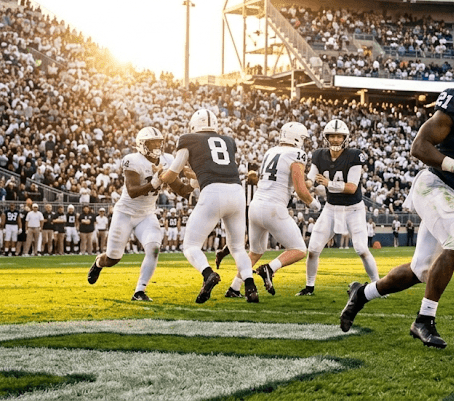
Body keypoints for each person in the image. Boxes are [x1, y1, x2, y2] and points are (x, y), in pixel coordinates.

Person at [339, 52, 454, 349]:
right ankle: (424, 320)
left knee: (419, 271)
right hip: (434, 185)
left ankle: (361, 294)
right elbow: (419, 146)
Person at [159, 108, 257, 304]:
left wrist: (160, 175)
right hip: (237, 193)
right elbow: (218, 170)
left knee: (190, 245)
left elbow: (171, 175)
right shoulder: (228, 141)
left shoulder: (189, 139)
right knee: (238, 247)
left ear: (194, 125)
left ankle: (208, 274)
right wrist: (194, 175)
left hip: (213, 194)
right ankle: (250, 286)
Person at [87, 127, 191, 301]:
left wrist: (194, 185)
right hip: (125, 213)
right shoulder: (132, 160)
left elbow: (180, 189)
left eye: (159, 142)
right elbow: (133, 191)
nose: (157, 145)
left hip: (147, 214)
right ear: (142, 145)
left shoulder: (167, 160)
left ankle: (139, 291)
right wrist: (155, 182)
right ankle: (99, 263)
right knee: (113, 258)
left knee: (154, 248)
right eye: (153, 142)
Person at [224, 122, 319, 298]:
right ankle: (269, 268)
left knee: (255, 252)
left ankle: (234, 287)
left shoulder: (271, 151)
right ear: (297, 138)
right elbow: (299, 188)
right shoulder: (296, 153)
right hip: (273, 208)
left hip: (255, 205)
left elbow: (285, 180)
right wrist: (314, 203)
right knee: (299, 249)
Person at [297, 119, 378, 296]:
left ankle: (379, 286)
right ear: (326, 137)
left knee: (362, 249)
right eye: (332, 136)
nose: (335, 139)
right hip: (331, 208)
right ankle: (309, 287)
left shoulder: (354, 155)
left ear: (345, 137)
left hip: (353, 209)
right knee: (313, 249)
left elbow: (351, 187)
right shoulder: (319, 155)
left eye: (338, 136)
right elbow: (311, 178)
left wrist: (328, 183)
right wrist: (303, 184)